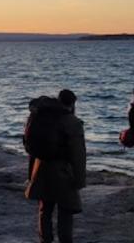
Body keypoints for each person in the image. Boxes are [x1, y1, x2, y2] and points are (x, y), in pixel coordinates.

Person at [26, 89, 87, 243]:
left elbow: (32, 147)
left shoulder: (41, 116)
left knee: (44, 210)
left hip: (40, 169)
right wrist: (79, 180)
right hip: (63, 172)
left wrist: (30, 175)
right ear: (73, 104)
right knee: (65, 212)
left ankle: (45, 240)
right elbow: (78, 154)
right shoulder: (72, 122)